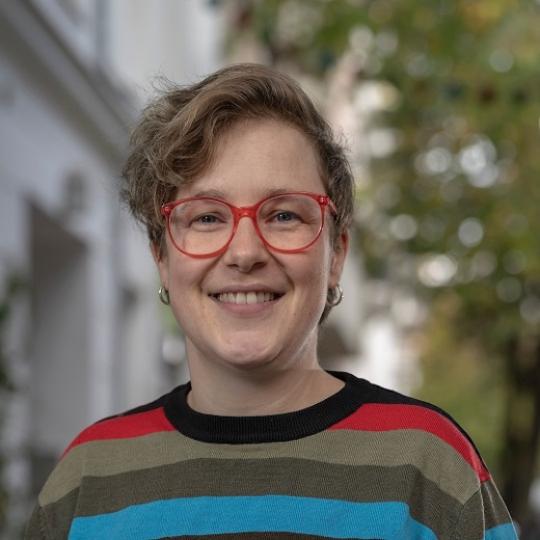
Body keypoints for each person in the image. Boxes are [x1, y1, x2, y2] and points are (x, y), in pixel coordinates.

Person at [26, 63, 517, 540]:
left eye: (283, 215)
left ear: (337, 253)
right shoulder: (85, 484)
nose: (245, 253)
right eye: (206, 218)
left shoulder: (429, 470)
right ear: (162, 256)